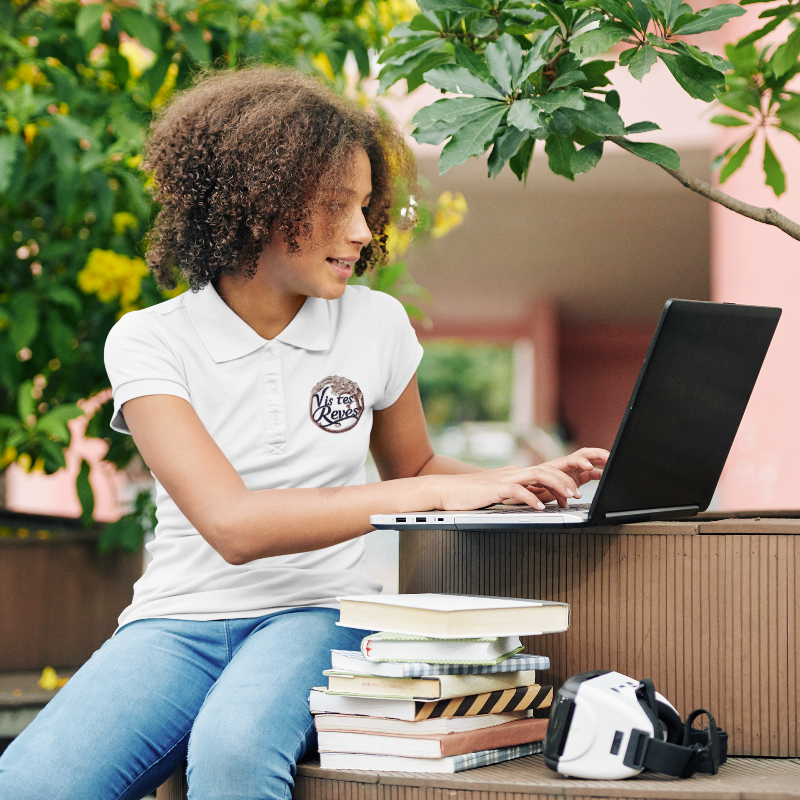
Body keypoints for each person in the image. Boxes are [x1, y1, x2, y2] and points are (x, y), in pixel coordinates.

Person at [0, 67, 608, 800]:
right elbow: (232, 525)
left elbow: (413, 465)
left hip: (322, 610)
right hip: (177, 621)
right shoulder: (149, 341)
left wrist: (522, 484)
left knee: (232, 752)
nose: (362, 231)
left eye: (365, 206)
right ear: (258, 206)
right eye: (335, 207)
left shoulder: (375, 324)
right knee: (30, 784)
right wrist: (444, 488)